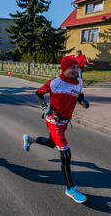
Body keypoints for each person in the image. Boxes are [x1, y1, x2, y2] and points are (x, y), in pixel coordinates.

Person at [23, 56, 90, 204]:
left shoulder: (79, 82)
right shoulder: (55, 83)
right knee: (66, 153)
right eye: (72, 68)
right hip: (54, 120)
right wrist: (45, 107)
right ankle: (70, 188)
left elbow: (79, 94)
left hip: (65, 122)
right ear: (64, 69)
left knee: (52, 144)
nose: (75, 70)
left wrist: (83, 101)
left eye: (77, 67)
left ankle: (29, 139)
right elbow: (38, 93)